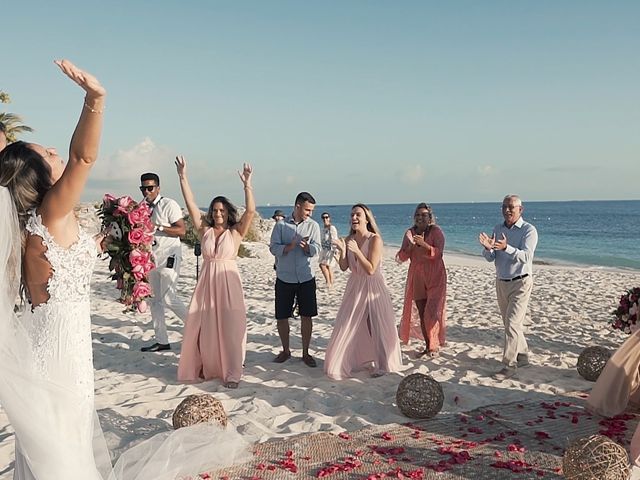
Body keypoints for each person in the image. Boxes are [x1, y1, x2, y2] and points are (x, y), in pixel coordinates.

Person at [0, 59, 110, 479]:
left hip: (56, 351)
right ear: (36, 176)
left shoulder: (36, 225)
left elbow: (62, 269)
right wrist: (95, 99)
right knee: (64, 458)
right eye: (47, 153)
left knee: (57, 452)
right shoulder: (49, 215)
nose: (55, 153)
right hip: (61, 356)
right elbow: (84, 157)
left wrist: (104, 245)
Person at [175, 155, 255, 389]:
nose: (218, 213)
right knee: (205, 327)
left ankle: (232, 373)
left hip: (229, 283)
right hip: (208, 282)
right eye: (215, 210)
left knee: (232, 327)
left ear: (228, 213)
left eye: (221, 210)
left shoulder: (237, 232)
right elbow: (190, 204)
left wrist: (247, 184)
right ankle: (209, 367)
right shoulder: (204, 230)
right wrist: (182, 177)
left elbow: (250, 211)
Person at [324, 204, 402, 379]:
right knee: (349, 323)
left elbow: (371, 269)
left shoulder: (375, 239)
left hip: (373, 287)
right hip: (355, 286)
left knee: (376, 326)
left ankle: (383, 365)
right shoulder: (348, 239)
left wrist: (357, 251)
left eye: (358, 214)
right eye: (352, 215)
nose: (354, 218)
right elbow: (345, 267)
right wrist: (342, 252)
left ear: (367, 218)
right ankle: (353, 359)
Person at [479, 194, 538, 380]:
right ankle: (523, 355)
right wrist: (488, 248)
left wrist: (507, 248)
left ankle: (509, 365)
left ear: (521, 209)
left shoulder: (529, 230)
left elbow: (527, 257)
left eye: (511, 207)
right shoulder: (498, 228)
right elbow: (491, 258)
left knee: (512, 323)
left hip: (520, 282)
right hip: (501, 281)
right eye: (504, 206)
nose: (507, 210)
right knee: (509, 324)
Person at [269, 192, 321, 367]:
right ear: (297, 206)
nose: (310, 213)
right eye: (307, 209)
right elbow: (273, 248)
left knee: (307, 315)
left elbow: (318, 248)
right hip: (285, 277)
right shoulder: (281, 226)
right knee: (282, 316)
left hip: (306, 277)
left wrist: (308, 248)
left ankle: (306, 353)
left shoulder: (313, 226)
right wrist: (288, 247)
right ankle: (286, 350)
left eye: (312, 210)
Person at [139, 171, 188, 352]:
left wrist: (158, 226)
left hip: (170, 255)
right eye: (143, 188)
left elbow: (181, 230)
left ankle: (197, 328)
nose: (146, 192)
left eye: (150, 188)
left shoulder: (169, 204)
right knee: (154, 300)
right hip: (151, 258)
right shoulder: (141, 208)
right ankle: (162, 341)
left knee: (169, 298)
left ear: (158, 188)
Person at [396, 203, 447, 358]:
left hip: (435, 274)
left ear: (430, 217)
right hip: (417, 275)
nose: (420, 218)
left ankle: (434, 347)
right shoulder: (409, 233)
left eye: (424, 215)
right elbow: (401, 257)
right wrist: (411, 247)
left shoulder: (436, 231)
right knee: (422, 309)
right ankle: (428, 346)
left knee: (431, 312)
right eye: (417, 215)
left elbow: (439, 253)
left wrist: (425, 245)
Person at [318, 212, 339, 289]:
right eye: (323, 218)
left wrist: (335, 250)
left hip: (330, 250)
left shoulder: (332, 228)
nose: (325, 219)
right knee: (328, 267)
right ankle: (331, 282)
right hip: (324, 250)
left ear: (329, 218)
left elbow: (334, 239)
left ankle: (328, 282)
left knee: (322, 265)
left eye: (326, 217)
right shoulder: (323, 229)